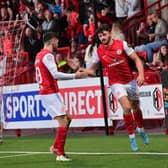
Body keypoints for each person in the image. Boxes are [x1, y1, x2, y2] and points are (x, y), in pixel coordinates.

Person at [80, 24, 149, 151]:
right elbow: (92, 70)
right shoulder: (98, 51)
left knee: (136, 107)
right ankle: (132, 137)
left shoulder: (122, 44)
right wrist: (81, 70)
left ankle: (141, 129)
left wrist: (141, 75)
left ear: (110, 33)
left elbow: (137, 59)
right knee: (127, 108)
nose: (102, 38)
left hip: (130, 81)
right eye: (100, 36)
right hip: (116, 83)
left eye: (104, 34)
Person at [35, 32, 86, 161]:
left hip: (49, 91)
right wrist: (75, 75)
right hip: (49, 91)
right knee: (63, 121)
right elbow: (55, 74)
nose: (58, 44)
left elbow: (48, 72)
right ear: (52, 41)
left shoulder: (39, 55)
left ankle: (56, 147)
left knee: (68, 118)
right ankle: (60, 153)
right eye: (57, 42)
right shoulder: (48, 55)